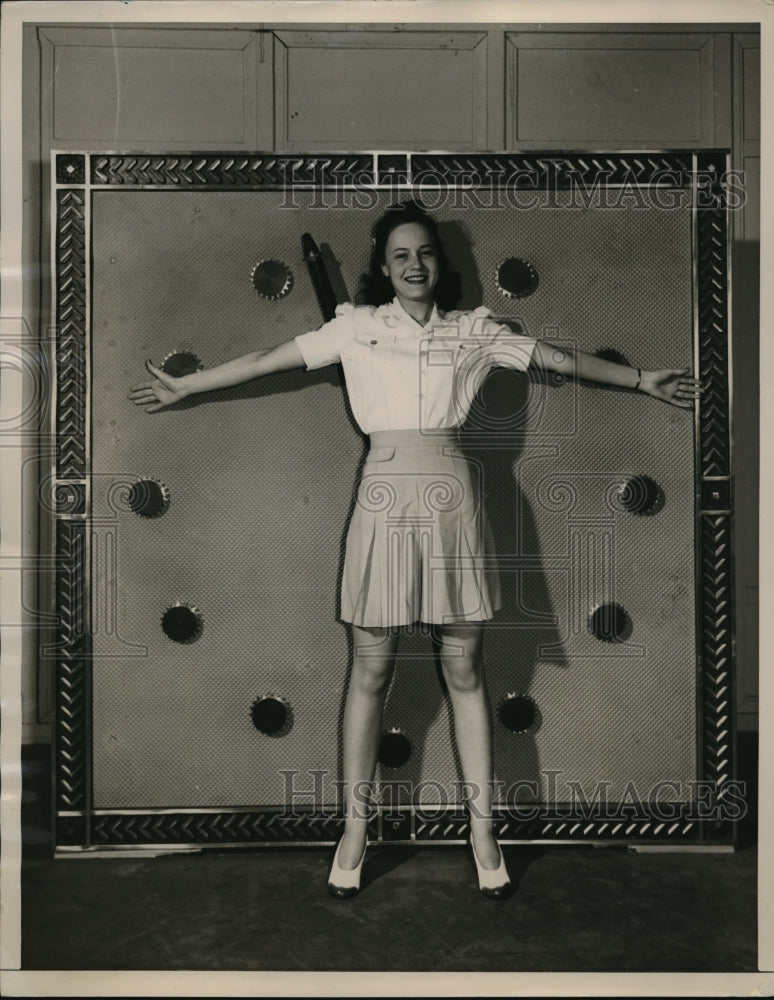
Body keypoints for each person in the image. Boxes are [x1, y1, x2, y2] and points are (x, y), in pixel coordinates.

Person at [127, 199, 702, 900]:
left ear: (440, 262)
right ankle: (356, 832)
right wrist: (189, 383)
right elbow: (266, 360)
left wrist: (641, 379)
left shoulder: (476, 331)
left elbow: (558, 358)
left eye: (425, 252)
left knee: (464, 672)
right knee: (370, 673)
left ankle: (484, 834)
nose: (414, 265)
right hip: (382, 499)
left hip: (454, 502)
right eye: (400, 255)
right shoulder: (357, 327)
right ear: (382, 267)